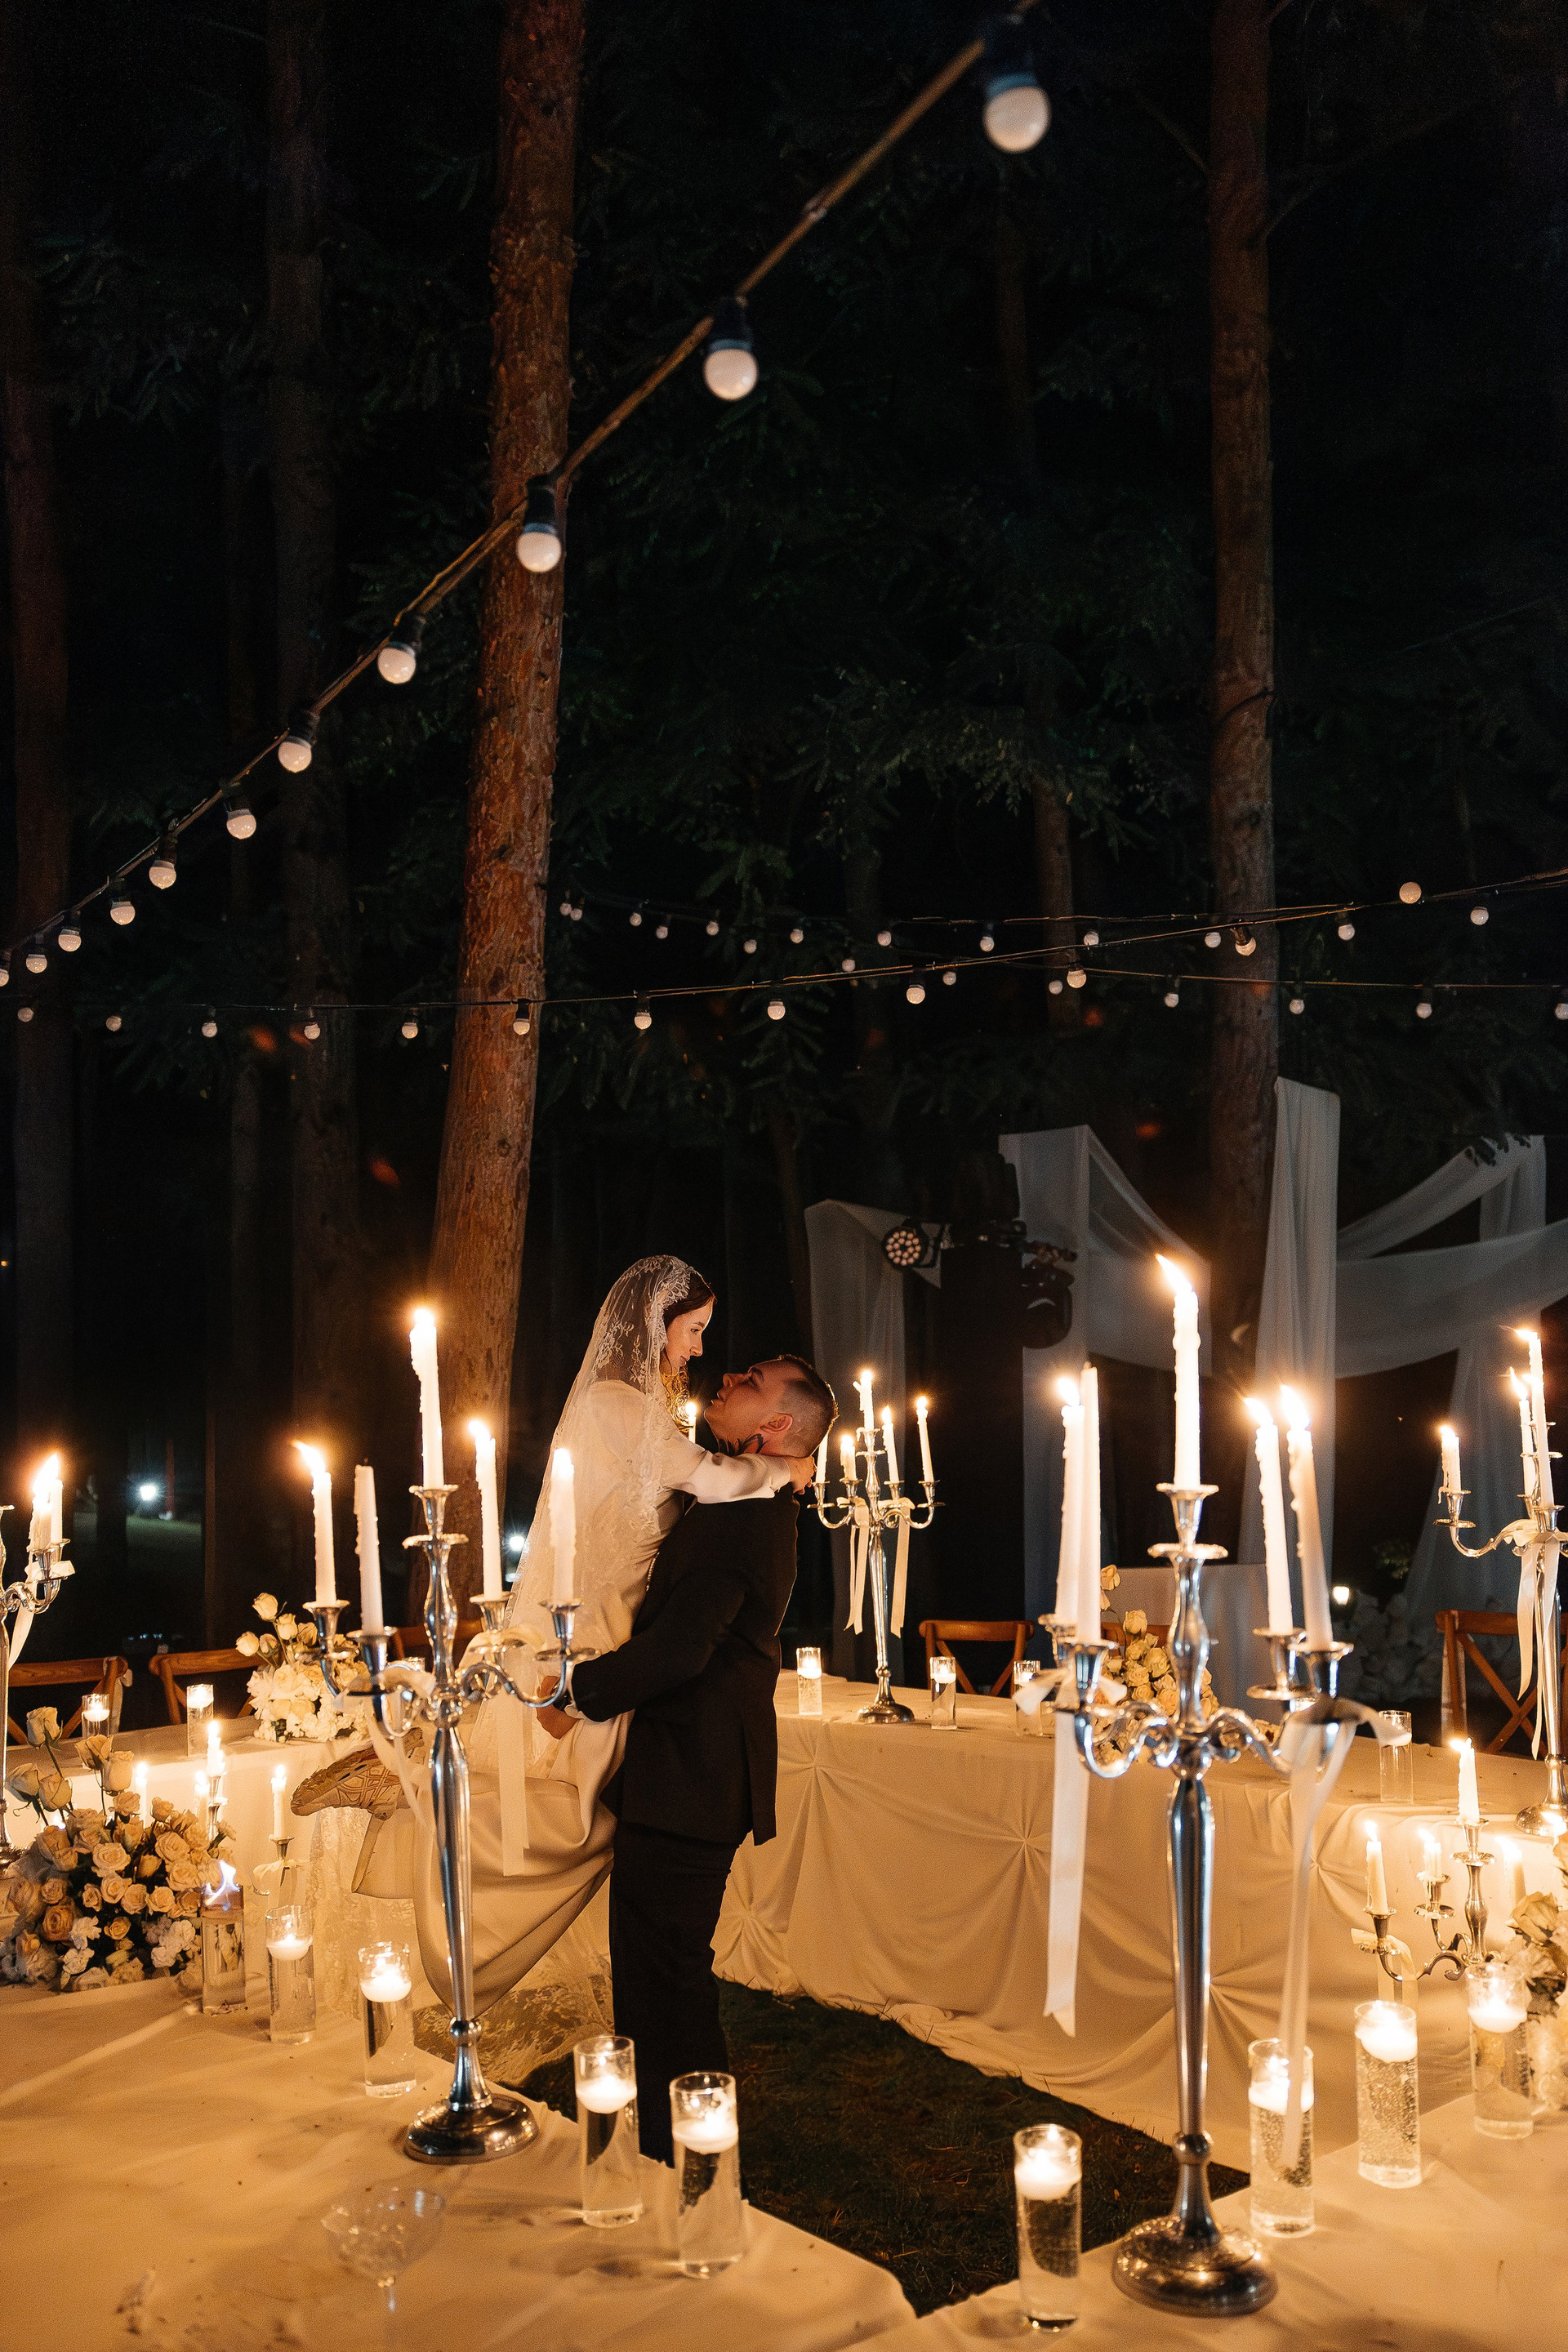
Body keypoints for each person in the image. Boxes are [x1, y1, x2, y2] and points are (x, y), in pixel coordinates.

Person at [329, 1257, 814, 2018]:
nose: (701, 1353)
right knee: (560, 1815)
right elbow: (711, 1480)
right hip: (590, 1628)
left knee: (577, 1822)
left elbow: (688, 1617)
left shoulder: (674, 1438)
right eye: (693, 1331)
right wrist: (788, 1469)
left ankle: (428, 1789)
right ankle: (425, 1793)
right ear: (655, 1325)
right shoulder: (623, 1405)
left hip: (626, 1656)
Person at [541, 1353, 837, 2161]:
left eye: (752, 1381)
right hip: (686, 1770)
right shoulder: (742, 1495)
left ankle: (691, 2165)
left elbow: (680, 1650)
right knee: (657, 1975)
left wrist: (572, 1695)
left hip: (693, 1774)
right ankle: (671, 2156)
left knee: (665, 1978)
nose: (730, 1377)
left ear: (775, 1425)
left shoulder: (746, 1517)